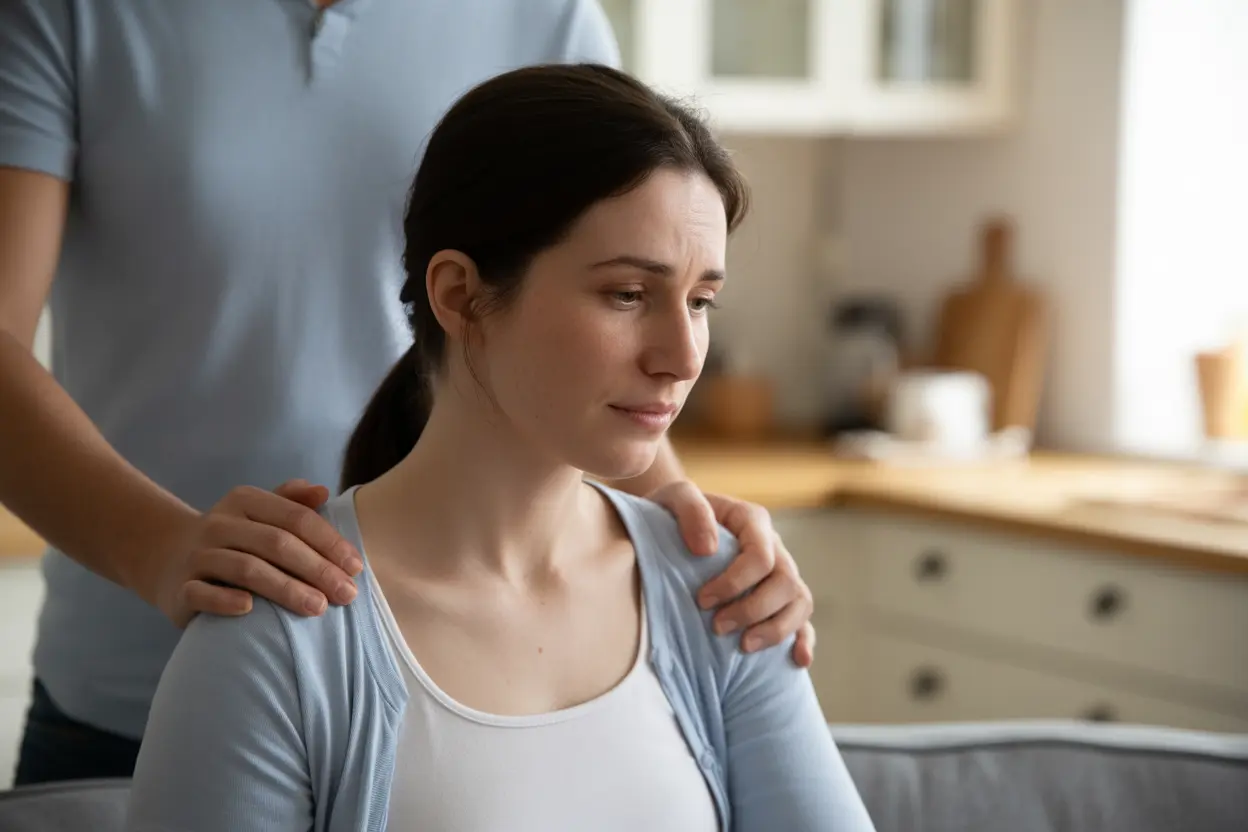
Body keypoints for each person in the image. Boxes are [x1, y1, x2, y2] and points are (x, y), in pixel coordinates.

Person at [0, 0, 817, 787]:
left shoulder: (547, 16)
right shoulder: (69, 11)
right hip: (130, 673)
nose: (682, 353)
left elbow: (612, 291)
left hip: (469, 670)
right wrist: (163, 549)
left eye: (702, 303)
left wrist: (700, 550)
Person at [124, 62, 875, 832]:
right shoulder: (277, 637)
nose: (685, 357)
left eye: (700, 301)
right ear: (460, 295)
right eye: (627, 293)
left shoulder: (720, 593)